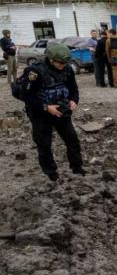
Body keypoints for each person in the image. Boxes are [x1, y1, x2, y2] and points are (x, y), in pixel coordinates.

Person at [12, 44, 84, 181]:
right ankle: (51, 173)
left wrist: (74, 101)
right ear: (51, 59)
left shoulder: (67, 69)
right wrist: (46, 107)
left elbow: (73, 89)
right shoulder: (35, 72)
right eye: (60, 62)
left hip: (60, 111)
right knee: (44, 143)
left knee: (72, 139)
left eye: (65, 62)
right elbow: (26, 96)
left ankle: (77, 167)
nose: (63, 65)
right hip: (40, 113)